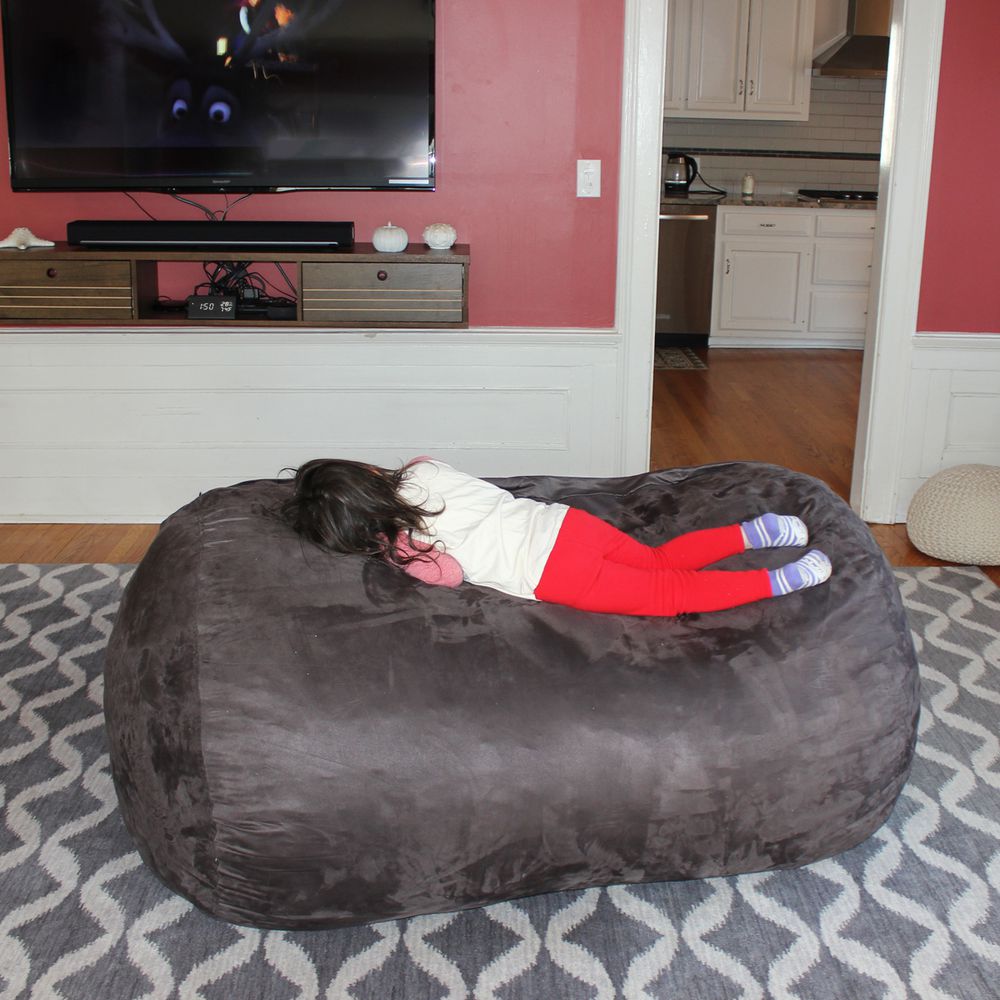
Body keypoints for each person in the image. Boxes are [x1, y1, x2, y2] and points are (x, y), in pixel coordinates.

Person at [279, 456, 832, 617]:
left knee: (672, 598)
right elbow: (429, 464)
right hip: (560, 522)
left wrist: (396, 554)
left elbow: (450, 576)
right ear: (371, 475)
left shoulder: (406, 550)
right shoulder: (425, 474)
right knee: (659, 562)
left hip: (550, 571)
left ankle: (782, 579)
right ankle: (756, 530)